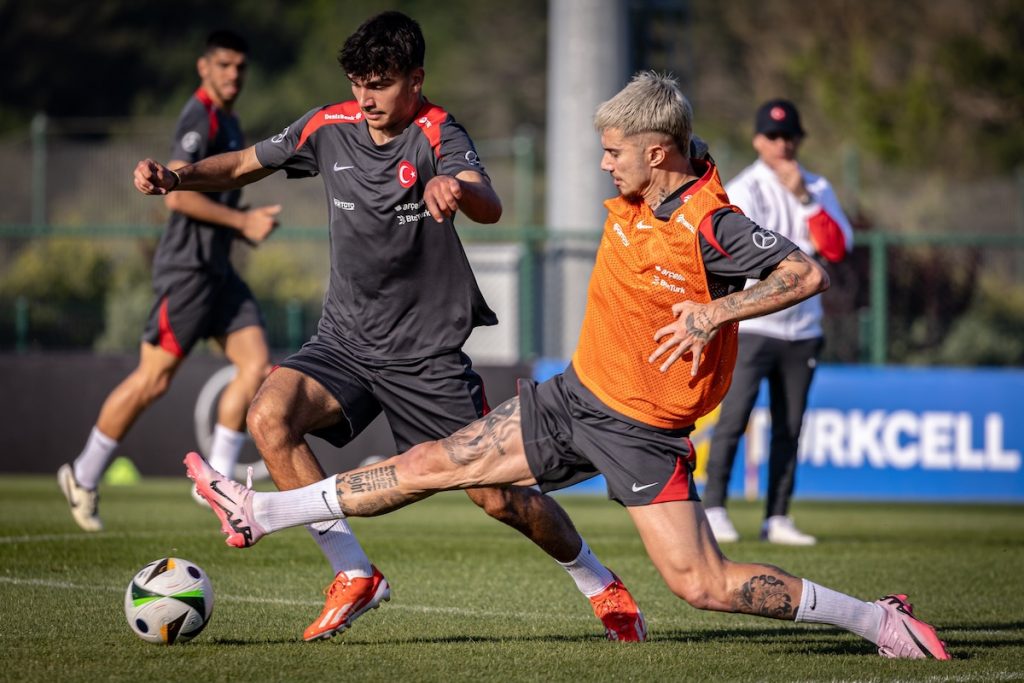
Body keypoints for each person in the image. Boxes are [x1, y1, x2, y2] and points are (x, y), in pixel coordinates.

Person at [183, 72, 950, 659]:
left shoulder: (707, 218)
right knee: (432, 464)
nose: (603, 162)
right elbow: (687, 145)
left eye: (614, 151)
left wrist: (715, 311)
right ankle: (263, 511)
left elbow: (805, 273)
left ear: (656, 153)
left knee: (702, 585)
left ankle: (877, 619)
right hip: (575, 396)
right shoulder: (653, 187)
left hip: (644, 432)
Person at [134, 12, 645, 644]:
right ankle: (353, 573)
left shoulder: (438, 132)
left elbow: (489, 202)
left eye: (380, 83)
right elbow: (244, 162)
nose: (366, 98)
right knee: (269, 416)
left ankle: (600, 582)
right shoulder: (329, 125)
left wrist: (452, 187)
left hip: (424, 354)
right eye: (358, 83)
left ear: (416, 79)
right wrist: (177, 176)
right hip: (344, 341)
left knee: (498, 498)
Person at [58, 30, 278, 532]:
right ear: (204, 68)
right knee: (153, 379)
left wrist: (245, 215)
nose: (233, 75)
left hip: (218, 274)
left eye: (240, 67)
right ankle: (83, 472)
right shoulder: (198, 116)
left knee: (256, 363)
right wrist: (242, 224)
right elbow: (177, 194)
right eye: (224, 65)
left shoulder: (231, 120)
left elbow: (217, 186)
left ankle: (215, 482)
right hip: (187, 274)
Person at [702, 99, 854, 546]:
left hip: (803, 329)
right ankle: (713, 508)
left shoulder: (818, 187)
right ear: (758, 141)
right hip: (753, 326)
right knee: (734, 418)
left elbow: (837, 247)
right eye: (773, 136)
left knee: (790, 426)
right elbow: (736, 254)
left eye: (789, 136)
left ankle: (778, 516)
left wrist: (806, 200)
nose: (782, 144)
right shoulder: (747, 187)